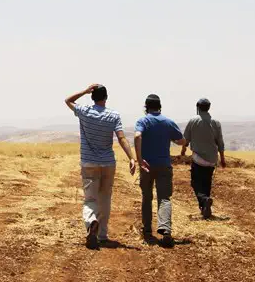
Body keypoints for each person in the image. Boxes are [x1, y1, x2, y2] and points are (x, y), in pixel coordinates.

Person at [65, 84, 136, 249]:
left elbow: (68, 100)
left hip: (89, 163)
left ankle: (91, 223)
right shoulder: (114, 115)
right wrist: (132, 158)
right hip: (108, 163)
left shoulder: (85, 112)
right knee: (105, 198)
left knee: (90, 199)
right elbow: (121, 138)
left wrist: (84, 91)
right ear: (106, 97)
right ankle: (102, 234)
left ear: (92, 97)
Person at [134, 94, 186, 247]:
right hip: (164, 165)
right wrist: (172, 139)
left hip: (147, 166)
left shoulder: (143, 121)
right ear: (160, 106)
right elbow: (182, 140)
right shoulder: (168, 122)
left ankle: (147, 230)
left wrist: (139, 158)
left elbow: (137, 136)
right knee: (164, 198)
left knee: (147, 197)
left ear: (146, 107)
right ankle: (165, 230)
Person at [181, 98, 225, 220]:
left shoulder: (193, 121)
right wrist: (222, 158)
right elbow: (220, 142)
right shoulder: (216, 123)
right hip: (212, 159)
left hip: (198, 158)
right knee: (207, 183)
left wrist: (183, 151)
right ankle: (205, 207)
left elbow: (186, 139)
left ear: (198, 107)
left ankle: (204, 200)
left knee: (195, 183)